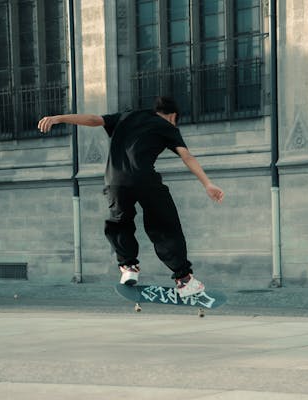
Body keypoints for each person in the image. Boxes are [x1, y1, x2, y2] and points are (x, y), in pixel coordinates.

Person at [38, 96, 224, 297]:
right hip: (145, 180)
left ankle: (128, 267)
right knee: (165, 224)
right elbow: (186, 156)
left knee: (119, 221)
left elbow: (93, 119)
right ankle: (184, 279)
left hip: (115, 180)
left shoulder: (127, 116)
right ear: (173, 116)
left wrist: (59, 118)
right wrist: (207, 183)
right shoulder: (167, 126)